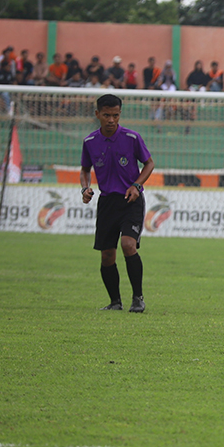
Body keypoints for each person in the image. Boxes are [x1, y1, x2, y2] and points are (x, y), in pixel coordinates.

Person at [79, 94, 155, 313]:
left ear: (120, 114)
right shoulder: (90, 142)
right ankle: (115, 302)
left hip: (131, 199)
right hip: (107, 202)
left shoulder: (131, 138)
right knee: (106, 255)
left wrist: (137, 186)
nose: (111, 120)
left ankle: (138, 298)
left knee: (128, 245)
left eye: (115, 115)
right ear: (98, 115)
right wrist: (85, 188)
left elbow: (149, 163)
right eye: (106, 115)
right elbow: (85, 169)